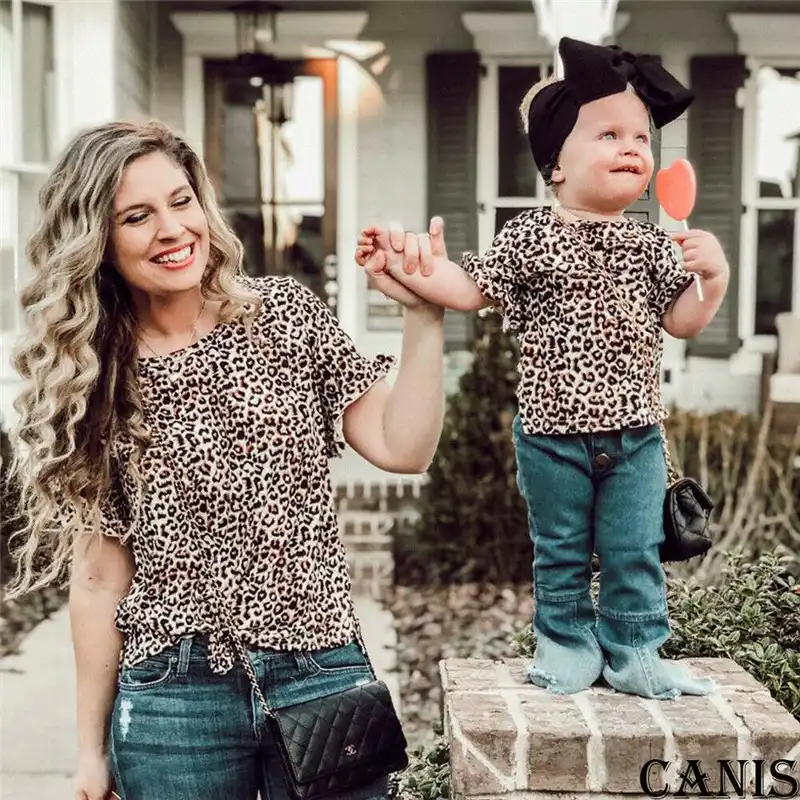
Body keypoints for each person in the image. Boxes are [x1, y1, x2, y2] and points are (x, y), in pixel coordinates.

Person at [7, 119, 443, 800]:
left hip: (321, 667)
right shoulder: (97, 373)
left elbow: (404, 446)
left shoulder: (286, 316)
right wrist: (89, 753)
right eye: (137, 216)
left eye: (180, 202)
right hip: (172, 701)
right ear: (100, 240)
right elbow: (97, 578)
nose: (172, 229)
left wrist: (424, 318)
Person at [356, 37, 727, 700]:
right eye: (609, 134)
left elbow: (684, 319)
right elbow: (468, 285)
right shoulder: (531, 235)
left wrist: (715, 279)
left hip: (636, 434)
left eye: (641, 137)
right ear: (555, 164)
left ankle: (637, 650)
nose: (631, 147)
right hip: (553, 435)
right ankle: (567, 644)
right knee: (558, 552)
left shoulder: (649, 243)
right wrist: (404, 261)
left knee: (633, 551)